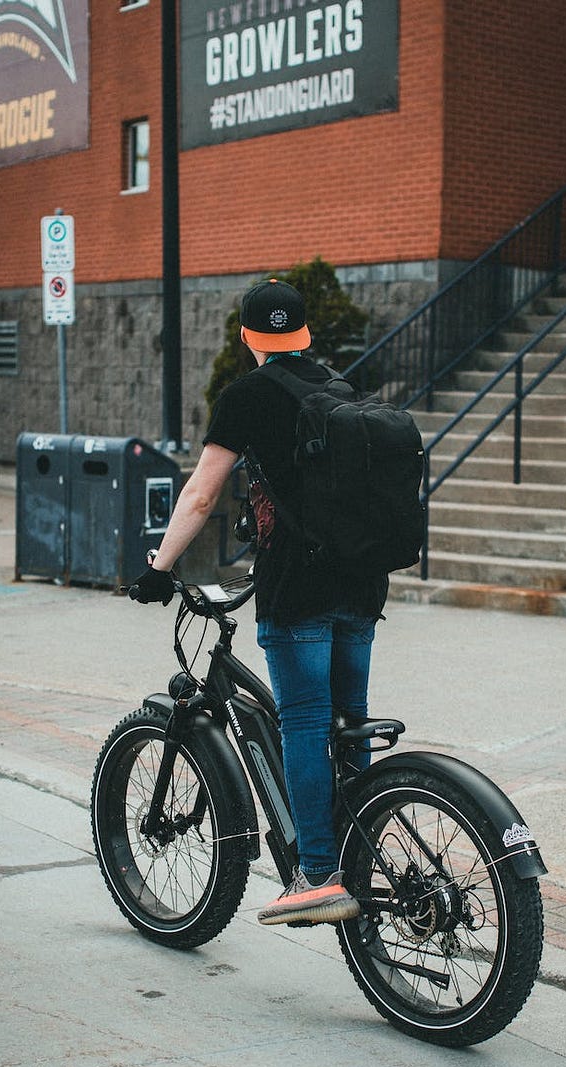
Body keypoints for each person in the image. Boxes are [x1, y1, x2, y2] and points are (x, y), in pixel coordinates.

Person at [129, 279, 388, 926]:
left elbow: (200, 495)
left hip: (298, 588)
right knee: (345, 721)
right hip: (362, 584)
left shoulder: (246, 396)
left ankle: (318, 874)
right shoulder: (340, 388)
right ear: (303, 335)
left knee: (302, 721)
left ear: (247, 337)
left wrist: (160, 570)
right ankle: (360, 857)